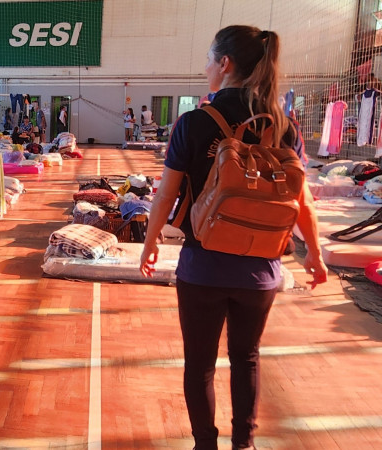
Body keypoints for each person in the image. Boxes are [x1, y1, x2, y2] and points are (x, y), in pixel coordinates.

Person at [138, 25, 328, 450]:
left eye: (209, 58)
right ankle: (245, 444)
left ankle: (205, 443)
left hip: (203, 265)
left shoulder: (194, 123)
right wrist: (314, 255)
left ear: (225, 64)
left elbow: (166, 194)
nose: (206, 66)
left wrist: (150, 243)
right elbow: (303, 201)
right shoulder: (283, 126)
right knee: (247, 358)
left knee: (200, 365)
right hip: (262, 269)